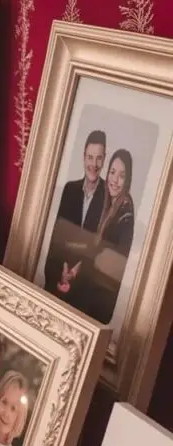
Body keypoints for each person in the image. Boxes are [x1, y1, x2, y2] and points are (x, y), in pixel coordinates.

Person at [43, 129, 107, 302]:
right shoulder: (69, 189)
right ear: (84, 157)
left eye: (99, 158)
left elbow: (100, 248)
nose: (94, 164)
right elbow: (58, 238)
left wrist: (77, 269)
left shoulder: (109, 198)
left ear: (104, 158)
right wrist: (61, 271)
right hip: (59, 274)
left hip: (87, 284)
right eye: (90, 157)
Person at [85, 149, 135, 323]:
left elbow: (117, 262)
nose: (114, 180)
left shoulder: (126, 214)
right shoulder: (109, 204)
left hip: (102, 296)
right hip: (93, 286)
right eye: (112, 172)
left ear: (127, 180)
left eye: (121, 176)